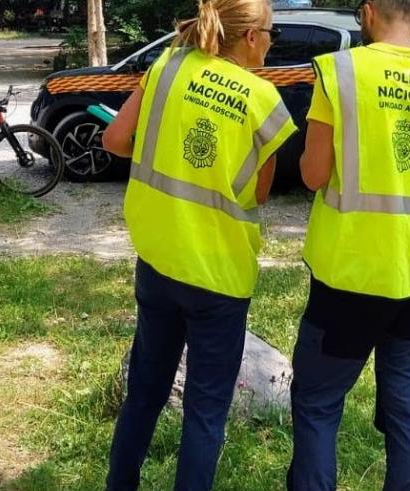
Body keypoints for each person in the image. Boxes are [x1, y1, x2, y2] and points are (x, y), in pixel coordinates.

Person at [286, 0, 410, 488]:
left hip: (348, 272)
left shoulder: (341, 73)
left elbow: (314, 175)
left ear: (368, 12)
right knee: (403, 407)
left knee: (317, 405)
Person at [100, 0, 297, 488]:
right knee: (205, 412)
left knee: (145, 390)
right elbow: (262, 192)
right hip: (218, 276)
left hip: (159, 260)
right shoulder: (263, 99)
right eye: (271, 31)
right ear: (250, 36)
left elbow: (114, 141)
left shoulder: (168, 65)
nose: (274, 41)